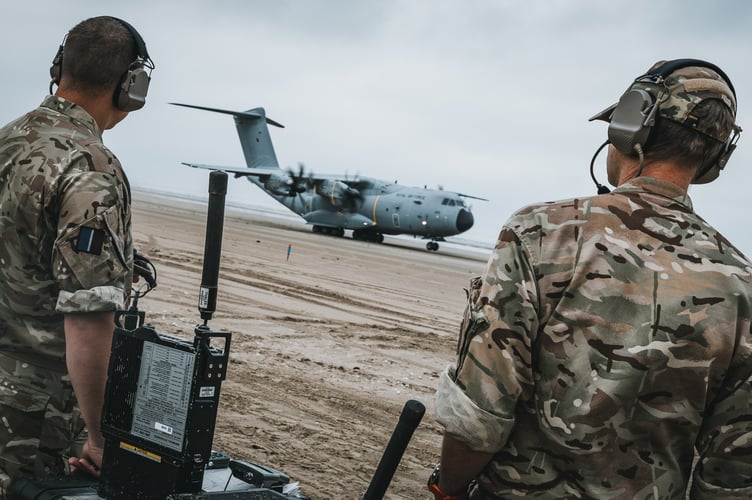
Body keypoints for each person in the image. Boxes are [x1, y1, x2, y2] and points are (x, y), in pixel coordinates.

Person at [430, 59, 751, 499]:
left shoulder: (542, 233)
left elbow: (481, 410)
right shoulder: (741, 284)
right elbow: (733, 470)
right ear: (716, 157)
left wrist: (448, 488)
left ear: (628, 128)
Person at [0, 16, 154, 495]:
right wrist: (101, 439)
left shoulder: (7, 140)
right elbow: (88, 320)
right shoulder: (90, 168)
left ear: (58, 68)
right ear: (132, 85)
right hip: (30, 414)